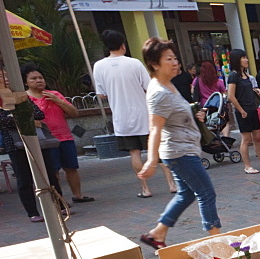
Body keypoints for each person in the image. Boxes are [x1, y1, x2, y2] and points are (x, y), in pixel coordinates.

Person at [138, 38, 221, 250]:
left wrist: (195, 115)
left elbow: (175, 117)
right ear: (155, 64)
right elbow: (155, 128)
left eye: (175, 58)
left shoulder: (169, 86)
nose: (175, 62)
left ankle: (157, 234)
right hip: (179, 152)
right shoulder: (159, 93)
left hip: (183, 149)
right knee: (206, 193)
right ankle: (217, 242)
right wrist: (151, 161)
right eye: (169, 59)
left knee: (186, 194)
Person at [93, 29, 177, 198]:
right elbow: (149, 87)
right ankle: (172, 184)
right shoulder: (134, 63)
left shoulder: (98, 66)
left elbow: (101, 94)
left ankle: (145, 188)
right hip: (144, 114)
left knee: (134, 153)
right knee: (158, 150)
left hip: (121, 118)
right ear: (123, 45)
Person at [22, 63, 92, 204]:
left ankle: (78, 195)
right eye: (33, 78)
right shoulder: (25, 98)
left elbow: (74, 113)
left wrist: (58, 101)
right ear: (26, 82)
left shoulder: (54, 94)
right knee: (53, 171)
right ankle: (58, 200)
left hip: (65, 137)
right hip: (45, 141)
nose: (38, 80)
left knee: (71, 167)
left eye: (41, 77)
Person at [1, 101, 63, 222]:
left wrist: (17, 119)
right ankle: (32, 213)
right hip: (14, 145)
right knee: (24, 179)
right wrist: (28, 120)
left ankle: (60, 205)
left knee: (50, 174)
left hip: (38, 142)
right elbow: (4, 121)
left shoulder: (23, 98)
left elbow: (39, 114)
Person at [226, 49, 260, 174]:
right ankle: (247, 166)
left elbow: (247, 91)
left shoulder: (245, 75)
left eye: (246, 57)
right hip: (243, 111)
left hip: (252, 109)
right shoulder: (233, 76)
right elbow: (231, 96)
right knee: (246, 139)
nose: (246, 60)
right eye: (243, 58)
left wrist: (257, 92)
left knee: (257, 137)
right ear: (237, 60)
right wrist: (241, 110)